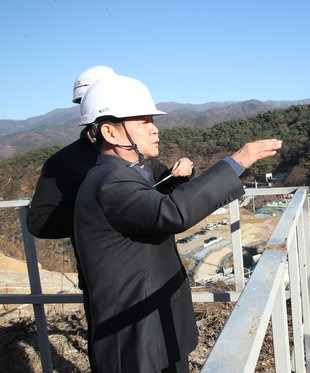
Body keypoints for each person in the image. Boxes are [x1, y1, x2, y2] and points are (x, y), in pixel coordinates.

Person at [73, 75, 282, 372]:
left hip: (151, 325)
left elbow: (151, 207)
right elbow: (171, 212)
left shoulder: (126, 173)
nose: (155, 129)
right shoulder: (111, 181)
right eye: (143, 122)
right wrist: (237, 161)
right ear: (110, 132)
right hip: (136, 337)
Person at [26, 66, 194, 372]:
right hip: (105, 272)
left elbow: (154, 192)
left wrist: (174, 178)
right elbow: (39, 221)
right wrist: (92, 209)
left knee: (169, 345)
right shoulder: (63, 162)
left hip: (154, 263)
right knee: (118, 351)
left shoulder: (136, 151)